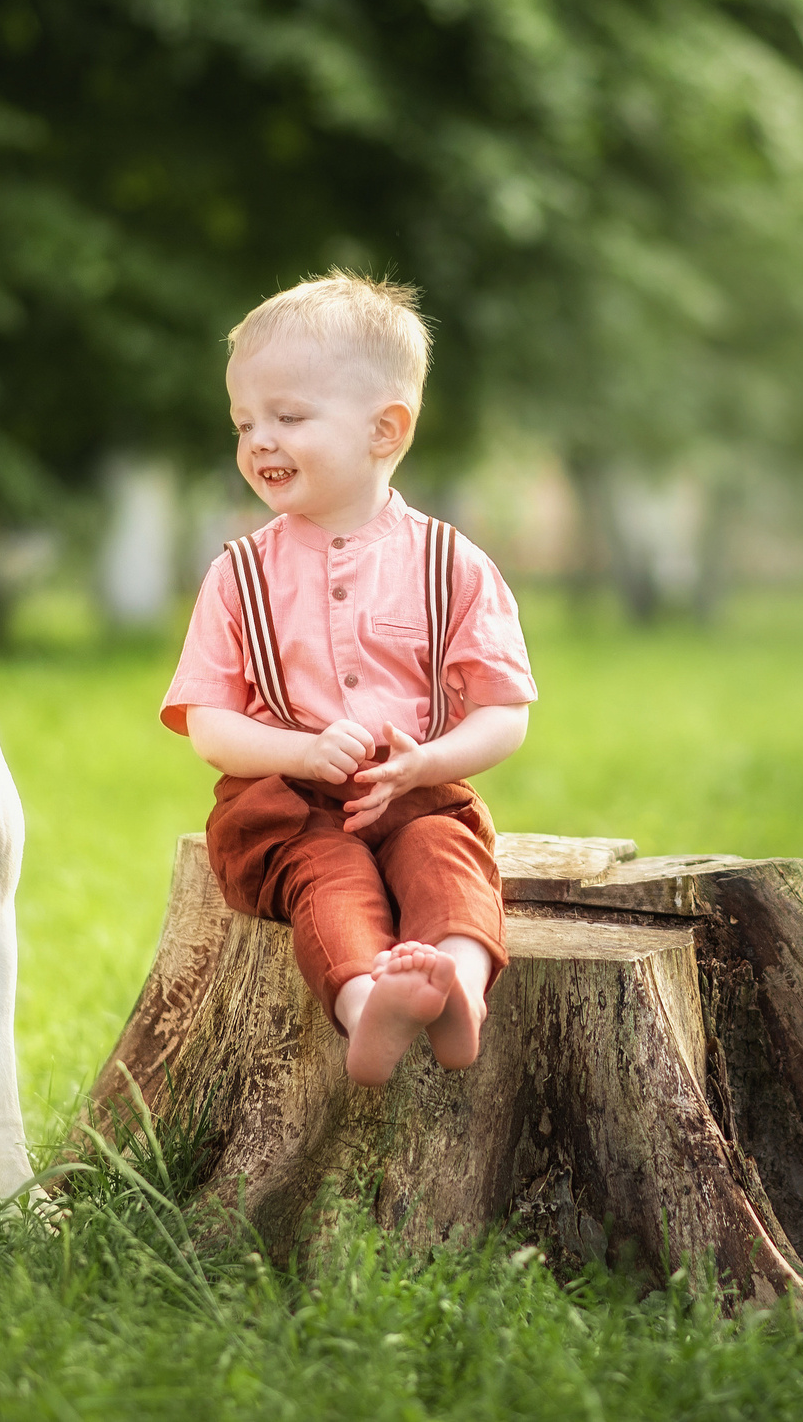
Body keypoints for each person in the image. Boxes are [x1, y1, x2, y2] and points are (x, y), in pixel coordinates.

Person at [160, 272, 535, 1087]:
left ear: (384, 428)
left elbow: (504, 712)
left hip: (416, 787)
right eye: (244, 421)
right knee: (327, 879)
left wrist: (427, 764)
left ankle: (459, 987)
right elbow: (208, 725)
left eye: (288, 417)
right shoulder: (239, 574)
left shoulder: (450, 564)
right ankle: (370, 1004)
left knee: (446, 857)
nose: (259, 439)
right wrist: (298, 750)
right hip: (289, 805)